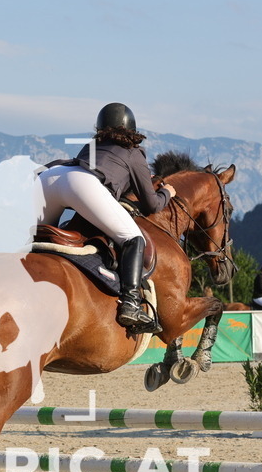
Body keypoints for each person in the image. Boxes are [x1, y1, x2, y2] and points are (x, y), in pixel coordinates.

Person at [39, 102, 172, 334]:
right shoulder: (134, 152)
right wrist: (167, 193)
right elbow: (151, 204)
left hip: (49, 177)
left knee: (34, 242)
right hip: (80, 184)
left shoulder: (92, 145)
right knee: (133, 238)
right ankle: (130, 303)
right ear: (132, 128)